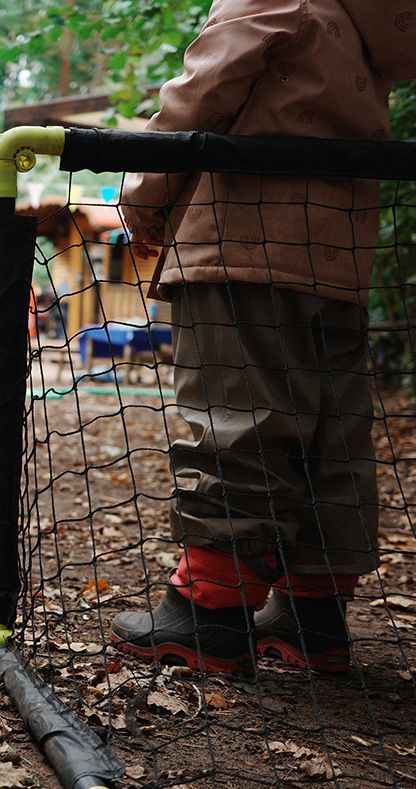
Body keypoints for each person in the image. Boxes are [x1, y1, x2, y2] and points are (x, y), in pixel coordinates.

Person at [112, 0, 416, 674]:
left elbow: (202, 93)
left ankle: (210, 611)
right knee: (331, 432)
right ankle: (313, 612)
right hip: (339, 253)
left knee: (235, 420)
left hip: (239, 240)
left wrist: (143, 196)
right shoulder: (373, 18)